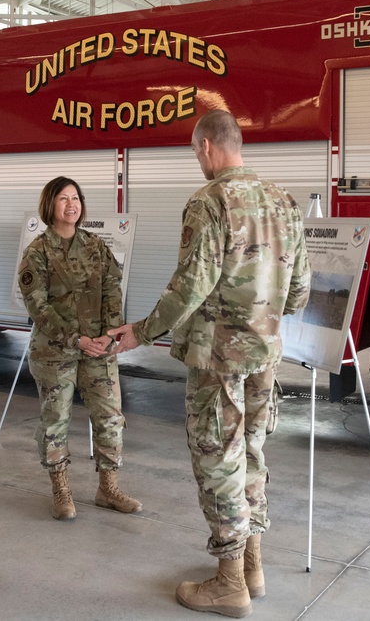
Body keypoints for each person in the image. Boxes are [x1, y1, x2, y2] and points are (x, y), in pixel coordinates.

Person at [109, 110, 311, 618]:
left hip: (217, 356)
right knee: (252, 454)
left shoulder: (209, 201)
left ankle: (228, 583)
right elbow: (300, 292)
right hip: (264, 354)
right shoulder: (285, 201)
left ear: (205, 147)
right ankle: (252, 568)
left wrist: (141, 330)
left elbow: (193, 285)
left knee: (218, 458)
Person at [17, 176, 141, 521]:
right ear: (50, 206)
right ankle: (61, 489)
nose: (71, 205)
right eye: (63, 199)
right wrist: (76, 338)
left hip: (98, 349)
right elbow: (38, 307)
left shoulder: (96, 246)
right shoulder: (38, 252)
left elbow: (113, 290)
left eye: (76, 198)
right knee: (56, 419)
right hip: (56, 351)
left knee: (110, 417)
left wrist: (109, 335)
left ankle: (108, 488)